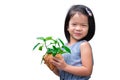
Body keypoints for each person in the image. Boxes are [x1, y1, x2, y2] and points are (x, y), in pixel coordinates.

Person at [50, 4, 95, 80]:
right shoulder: (64, 47)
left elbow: (87, 71)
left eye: (83, 25)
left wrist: (65, 66)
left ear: (89, 28)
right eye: (74, 24)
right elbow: (63, 73)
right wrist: (53, 67)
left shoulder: (84, 45)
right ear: (67, 26)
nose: (78, 28)